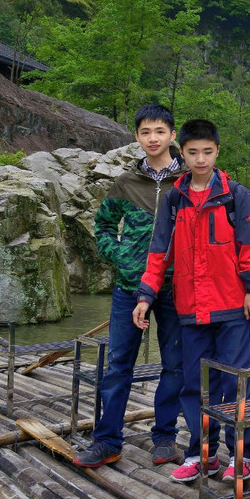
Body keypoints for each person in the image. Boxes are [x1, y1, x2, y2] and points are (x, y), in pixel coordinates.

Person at [133, 118, 250, 484]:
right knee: (194, 385)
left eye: (207, 152)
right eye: (192, 152)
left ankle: (244, 453)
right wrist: (146, 295)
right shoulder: (175, 199)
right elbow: (158, 252)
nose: (200, 159)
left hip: (232, 308)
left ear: (217, 152)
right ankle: (202, 454)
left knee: (237, 383)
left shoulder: (235, 195)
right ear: (182, 152)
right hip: (190, 309)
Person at [73, 104, 186, 469]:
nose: (152, 139)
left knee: (175, 365)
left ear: (172, 134)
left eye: (159, 131)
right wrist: (120, 256)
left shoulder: (186, 182)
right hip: (128, 287)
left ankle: (165, 438)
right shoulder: (124, 183)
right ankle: (107, 441)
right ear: (137, 137)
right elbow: (102, 227)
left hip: (174, 289)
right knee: (119, 364)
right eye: (144, 132)